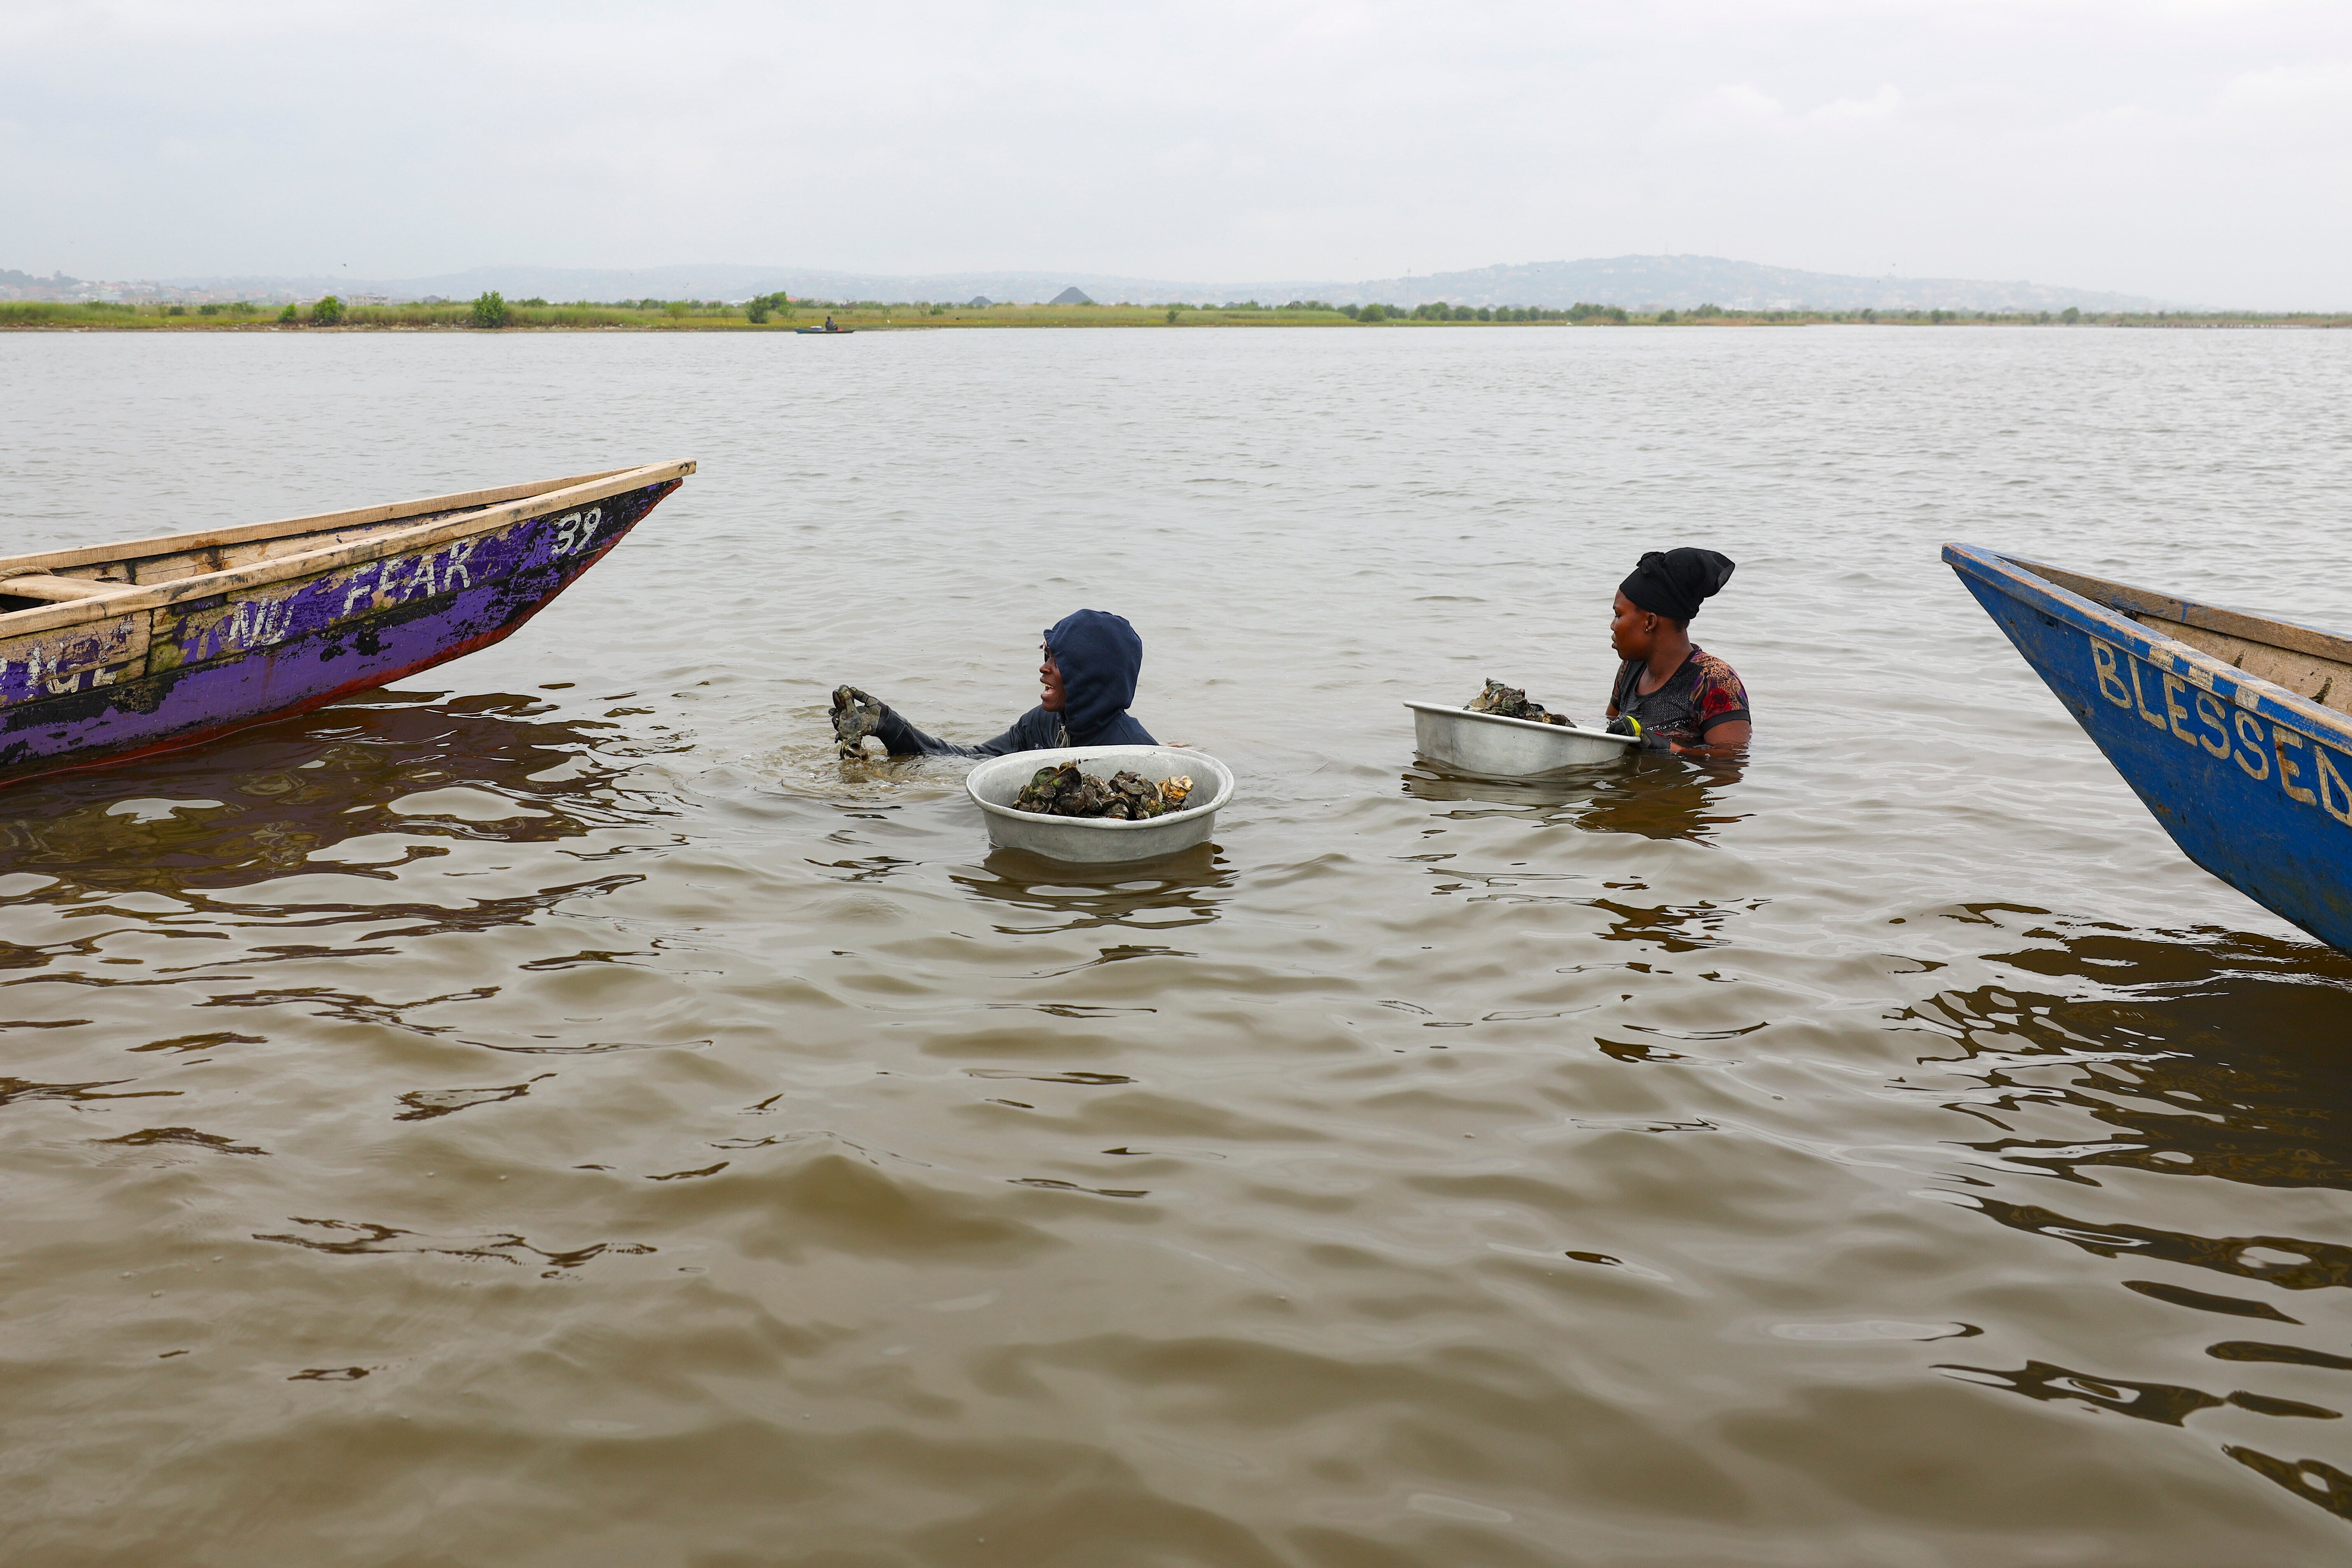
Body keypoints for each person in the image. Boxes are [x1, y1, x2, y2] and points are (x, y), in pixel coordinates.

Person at [855, 608, 1156, 757]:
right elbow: (970, 761)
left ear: (1090, 675)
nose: (1043, 668)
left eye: (1057, 661)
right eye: (1046, 654)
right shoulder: (1042, 724)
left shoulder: (1136, 751)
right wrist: (891, 727)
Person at [1604, 548, 1751, 753]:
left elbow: (1731, 763)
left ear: (1650, 621)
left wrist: (1663, 747)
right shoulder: (1631, 668)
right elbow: (1610, 722)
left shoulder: (1715, 680)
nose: (1613, 626)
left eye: (1618, 615)